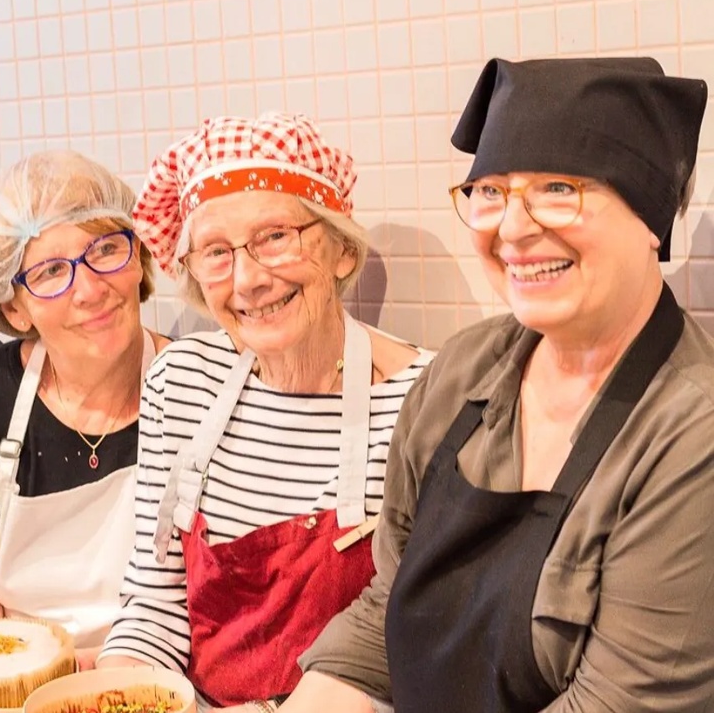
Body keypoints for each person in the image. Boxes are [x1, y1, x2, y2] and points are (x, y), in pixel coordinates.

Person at [283, 57, 714, 713]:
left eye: (558, 188)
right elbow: (387, 607)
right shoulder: (461, 371)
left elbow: (618, 703)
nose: (511, 229)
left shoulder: (691, 434)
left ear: (650, 216)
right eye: (489, 191)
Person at [94, 112, 433, 712]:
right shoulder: (181, 381)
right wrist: (120, 695)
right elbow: (154, 603)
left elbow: (419, 643)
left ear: (341, 250)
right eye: (216, 252)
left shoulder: (423, 401)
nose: (248, 279)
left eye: (275, 236)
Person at [0, 151, 168, 667]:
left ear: (137, 256)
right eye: (52, 271)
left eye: (106, 249)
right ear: (14, 307)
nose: (90, 289)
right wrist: (49, 681)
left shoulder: (196, 385)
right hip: (16, 683)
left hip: (169, 680)